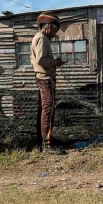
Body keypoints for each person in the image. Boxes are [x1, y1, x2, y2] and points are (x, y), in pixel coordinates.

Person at [31, 11, 66, 154]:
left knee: (44, 109)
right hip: (46, 79)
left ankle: (42, 143)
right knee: (48, 109)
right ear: (49, 26)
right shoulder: (42, 38)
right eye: (55, 29)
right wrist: (55, 62)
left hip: (42, 78)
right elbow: (40, 60)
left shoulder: (37, 38)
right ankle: (47, 144)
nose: (55, 33)